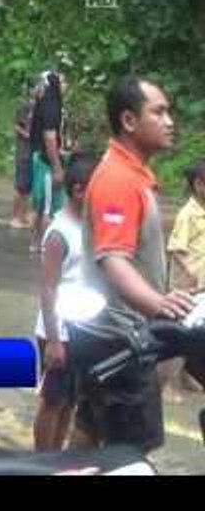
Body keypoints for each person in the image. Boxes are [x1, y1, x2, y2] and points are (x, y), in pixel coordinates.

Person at [74, 75, 195, 453]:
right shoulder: (118, 180)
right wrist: (157, 305)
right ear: (129, 121)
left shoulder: (130, 173)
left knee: (91, 429)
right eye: (158, 112)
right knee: (129, 449)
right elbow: (113, 259)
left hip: (104, 334)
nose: (170, 120)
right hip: (119, 339)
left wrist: (165, 296)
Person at [32, 152, 97, 452]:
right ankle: (43, 462)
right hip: (59, 332)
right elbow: (48, 289)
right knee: (53, 402)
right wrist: (55, 340)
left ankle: (58, 461)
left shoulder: (89, 226)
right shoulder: (59, 233)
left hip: (82, 328)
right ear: (79, 190)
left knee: (71, 402)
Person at [162, 158, 205, 400]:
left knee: (196, 332)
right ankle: (169, 384)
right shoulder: (188, 214)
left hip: (202, 287)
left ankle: (188, 375)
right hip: (186, 288)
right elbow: (176, 249)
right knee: (178, 333)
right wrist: (190, 274)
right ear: (199, 185)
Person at [29, 71, 69, 253]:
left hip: (38, 157)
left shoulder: (42, 102)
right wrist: (57, 167)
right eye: (63, 81)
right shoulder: (52, 107)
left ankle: (35, 243)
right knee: (49, 208)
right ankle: (46, 246)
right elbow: (50, 137)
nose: (66, 85)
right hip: (47, 162)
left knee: (38, 206)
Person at [11, 78, 38, 229]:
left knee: (29, 185)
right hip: (24, 150)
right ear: (31, 90)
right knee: (21, 186)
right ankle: (15, 216)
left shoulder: (40, 107)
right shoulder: (25, 106)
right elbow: (17, 126)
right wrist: (28, 135)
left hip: (34, 150)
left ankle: (25, 214)